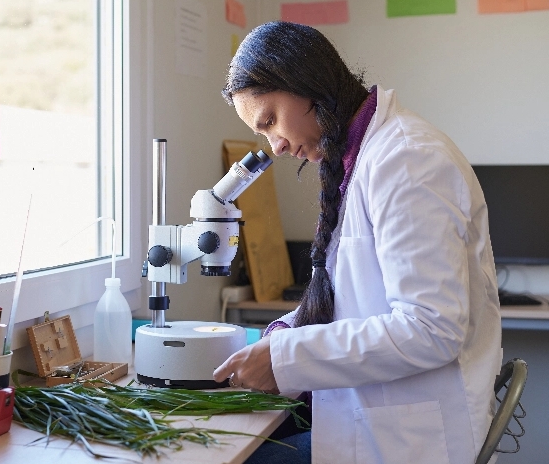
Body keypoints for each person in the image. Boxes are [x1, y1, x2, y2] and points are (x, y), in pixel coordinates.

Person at [213, 21, 502, 464]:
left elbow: (430, 329)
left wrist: (285, 357)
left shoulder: (407, 159)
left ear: (305, 84)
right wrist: (281, 334)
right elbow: (356, 298)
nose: (277, 145)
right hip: (374, 420)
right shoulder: (365, 156)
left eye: (270, 120)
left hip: (412, 441)